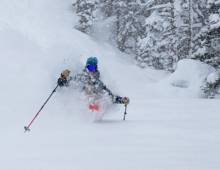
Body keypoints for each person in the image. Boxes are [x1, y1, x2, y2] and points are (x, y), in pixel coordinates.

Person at [57, 57, 129, 107]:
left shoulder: (98, 83)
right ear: (86, 67)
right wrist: (63, 79)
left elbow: (110, 97)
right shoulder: (81, 78)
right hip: (80, 104)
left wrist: (122, 100)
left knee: (98, 93)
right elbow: (69, 83)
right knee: (86, 90)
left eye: (93, 68)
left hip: (94, 104)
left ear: (96, 68)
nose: (91, 70)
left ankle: (93, 106)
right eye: (89, 68)